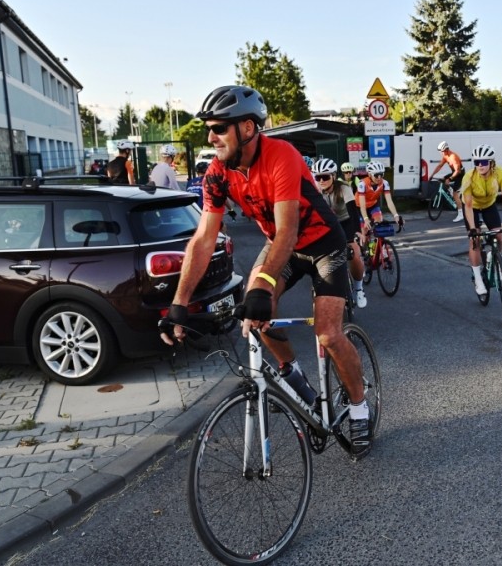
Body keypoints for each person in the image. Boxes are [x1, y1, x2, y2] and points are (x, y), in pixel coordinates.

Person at [159, 85, 374, 457]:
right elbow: (204, 238)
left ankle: (359, 407)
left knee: (328, 334)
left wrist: (265, 282)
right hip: (281, 246)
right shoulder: (217, 173)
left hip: (323, 244)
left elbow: (289, 229)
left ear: (247, 128)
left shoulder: (281, 156)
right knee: (253, 314)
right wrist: (179, 302)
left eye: (218, 128)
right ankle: (293, 373)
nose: (211, 138)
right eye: (209, 130)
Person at [461, 144, 502, 297]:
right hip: (472, 207)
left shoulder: (500, 174)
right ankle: (478, 278)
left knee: (499, 237)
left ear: (491, 163)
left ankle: (493, 256)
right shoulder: (469, 177)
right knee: (474, 241)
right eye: (477, 162)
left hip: (489, 206)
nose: (480, 165)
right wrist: (473, 228)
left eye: (484, 162)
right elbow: (468, 205)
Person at [312, 157, 367, 309]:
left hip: (345, 222)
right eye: (318, 177)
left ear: (334, 176)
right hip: (327, 225)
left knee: (354, 253)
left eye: (325, 177)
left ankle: (359, 289)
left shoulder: (344, 188)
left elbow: (352, 210)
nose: (321, 181)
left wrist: (357, 231)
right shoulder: (315, 191)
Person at [357, 161, 403, 234]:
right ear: (369, 174)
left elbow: (389, 202)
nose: (379, 178)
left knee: (379, 222)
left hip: (373, 205)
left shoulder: (385, 183)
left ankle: (378, 240)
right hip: (360, 207)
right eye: (376, 175)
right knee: (364, 232)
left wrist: (396, 215)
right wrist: (366, 219)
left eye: (381, 175)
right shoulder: (362, 184)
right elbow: (362, 205)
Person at [430, 140, 465, 222]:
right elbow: (439, 166)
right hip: (454, 173)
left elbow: (458, 171)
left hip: (460, 174)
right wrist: (432, 175)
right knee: (443, 179)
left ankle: (461, 214)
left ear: (446, 150)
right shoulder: (446, 156)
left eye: (441, 151)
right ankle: (451, 191)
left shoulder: (453, 157)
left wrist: (450, 179)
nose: (441, 153)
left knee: (455, 194)